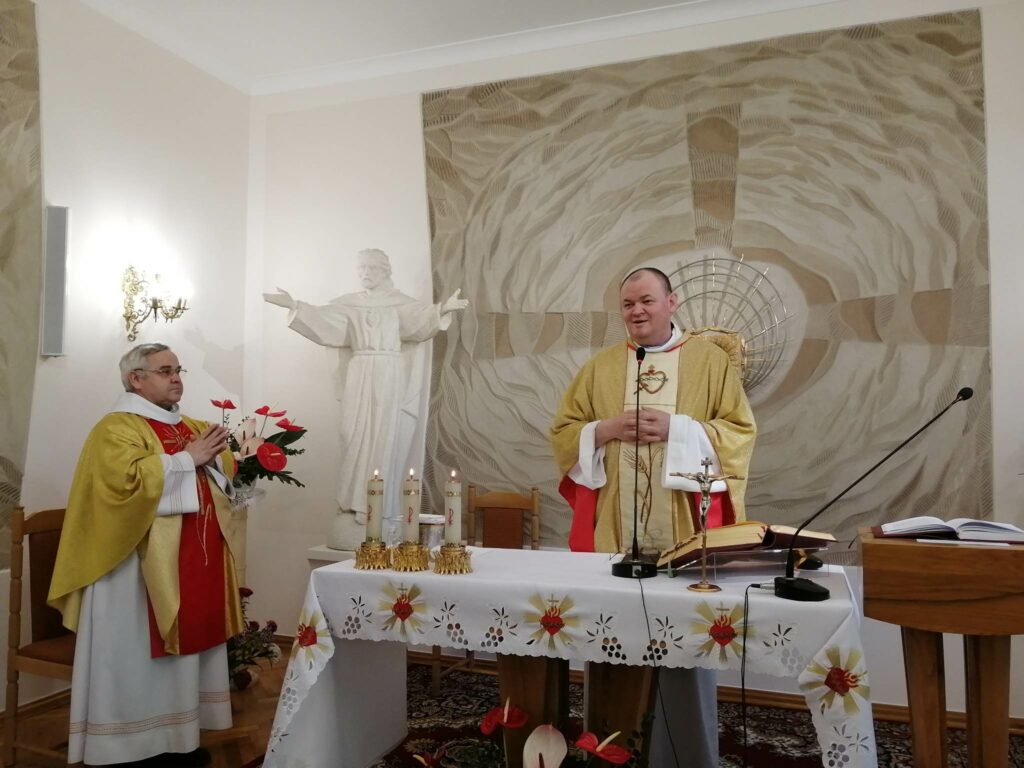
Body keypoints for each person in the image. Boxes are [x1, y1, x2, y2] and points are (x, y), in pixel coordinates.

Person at [550, 266, 756, 768]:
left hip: (685, 531)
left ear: (672, 302)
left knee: (683, 643)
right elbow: (564, 431)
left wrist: (678, 429)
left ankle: (681, 754)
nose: (636, 311)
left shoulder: (709, 362)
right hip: (615, 533)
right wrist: (604, 429)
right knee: (611, 637)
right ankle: (606, 749)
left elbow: (739, 432)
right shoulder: (601, 366)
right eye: (627, 304)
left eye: (646, 300)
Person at [48, 343, 244, 767]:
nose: (177, 378)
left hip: (191, 561)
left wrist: (215, 459)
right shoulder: (115, 428)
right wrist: (187, 459)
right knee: (136, 659)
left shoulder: (190, 424)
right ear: (136, 379)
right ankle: (128, 746)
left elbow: (221, 471)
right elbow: (123, 485)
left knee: (184, 659)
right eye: (165, 371)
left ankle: (180, 738)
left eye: (179, 370)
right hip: (132, 572)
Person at [264, 248, 468, 548]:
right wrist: (294, 305)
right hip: (359, 372)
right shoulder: (350, 304)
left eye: (370, 268)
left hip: (387, 374)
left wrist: (442, 310)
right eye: (361, 269)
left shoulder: (399, 303)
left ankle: (376, 510)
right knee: (352, 435)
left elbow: (418, 322)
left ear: (384, 270)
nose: (364, 274)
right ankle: (351, 504)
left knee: (382, 437)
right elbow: (326, 323)